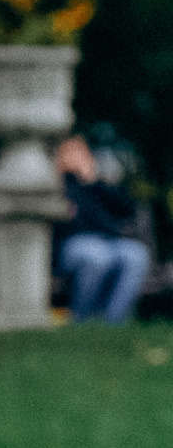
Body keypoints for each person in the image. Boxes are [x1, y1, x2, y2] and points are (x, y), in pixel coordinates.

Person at [56, 136, 153, 325]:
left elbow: (126, 208)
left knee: (136, 255)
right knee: (95, 255)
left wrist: (92, 181)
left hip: (108, 243)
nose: (76, 157)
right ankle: (81, 318)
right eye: (70, 152)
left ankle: (114, 322)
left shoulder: (96, 186)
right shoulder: (57, 186)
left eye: (80, 152)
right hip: (71, 246)